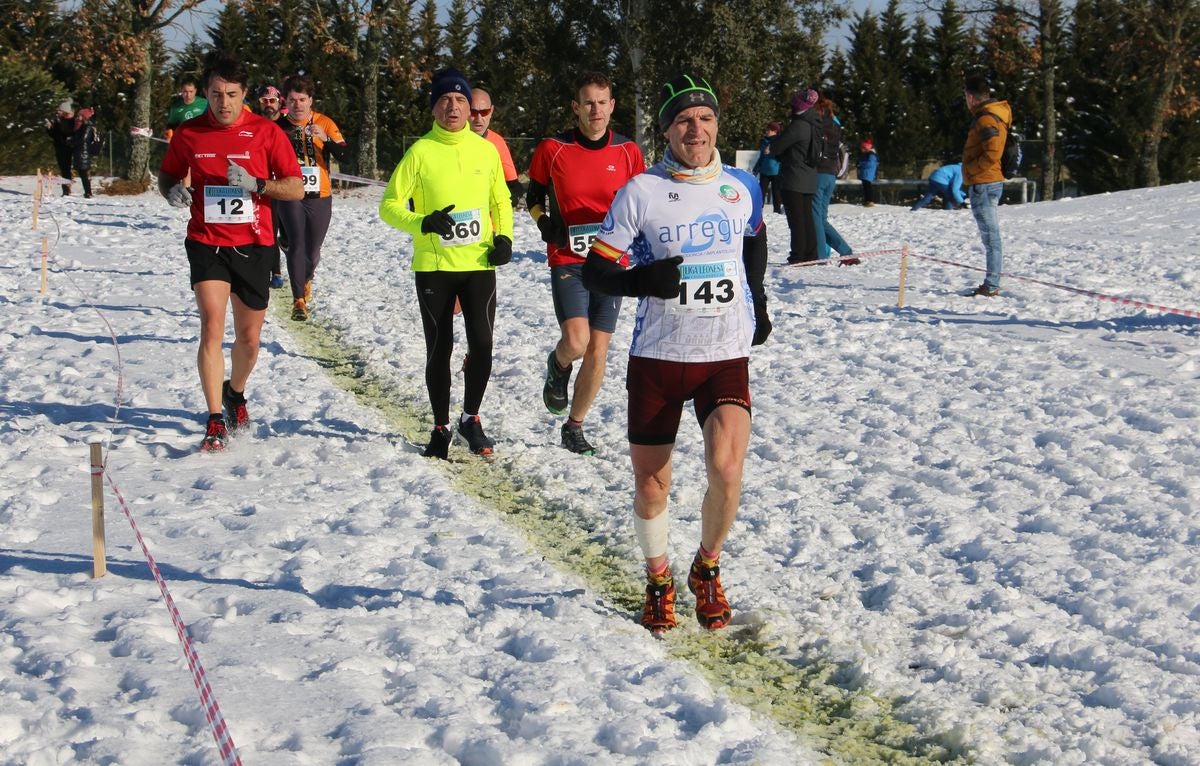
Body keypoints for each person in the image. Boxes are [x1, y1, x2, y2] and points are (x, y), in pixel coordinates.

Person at [581, 74, 772, 634]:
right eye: (684, 120)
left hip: (723, 353)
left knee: (727, 468)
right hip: (660, 358)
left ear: (717, 126)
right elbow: (597, 271)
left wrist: (758, 299)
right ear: (666, 130)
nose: (697, 128)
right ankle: (659, 579)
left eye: (706, 118)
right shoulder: (640, 191)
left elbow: (754, 238)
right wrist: (644, 281)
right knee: (650, 486)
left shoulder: (742, 185)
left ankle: (707, 567)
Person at [158, 54, 304, 452]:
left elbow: (295, 187)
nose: (223, 103)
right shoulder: (189, 133)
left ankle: (235, 392)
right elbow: (167, 173)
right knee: (211, 325)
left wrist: (258, 184)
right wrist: (171, 188)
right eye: (216, 94)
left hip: (254, 245)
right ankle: (213, 420)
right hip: (206, 240)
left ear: (245, 97)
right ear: (205, 93)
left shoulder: (266, 133)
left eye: (232, 95)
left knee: (249, 339)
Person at [378, 67, 514, 459]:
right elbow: (388, 206)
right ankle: (440, 428)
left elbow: (499, 200)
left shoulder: (485, 150)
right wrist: (421, 221)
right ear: (434, 108)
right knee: (440, 347)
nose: (452, 107)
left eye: (459, 100)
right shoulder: (420, 151)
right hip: (435, 267)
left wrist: (504, 237)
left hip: (478, 263)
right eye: (444, 100)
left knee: (483, 345)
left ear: (470, 108)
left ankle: (470, 418)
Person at [526, 71, 646, 456]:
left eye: (602, 102)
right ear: (576, 108)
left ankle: (574, 426)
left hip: (611, 262)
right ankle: (557, 366)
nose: (596, 110)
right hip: (569, 258)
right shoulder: (553, 148)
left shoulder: (628, 151)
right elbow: (534, 194)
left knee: (598, 350)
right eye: (588, 103)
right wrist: (544, 223)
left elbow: (643, 204)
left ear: (612, 106)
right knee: (576, 343)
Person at [276, 75, 350, 321]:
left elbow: (346, 157)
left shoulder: (324, 122)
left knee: (313, 252)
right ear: (285, 101)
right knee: (297, 243)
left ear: (311, 101)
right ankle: (298, 300)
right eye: (292, 100)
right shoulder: (277, 127)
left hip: (320, 194)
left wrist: (326, 140)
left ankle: (305, 277)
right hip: (289, 192)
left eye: (302, 100)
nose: (298, 105)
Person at [962, 73, 1011, 297]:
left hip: (984, 182)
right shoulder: (990, 115)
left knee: (991, 237)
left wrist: (972, 170)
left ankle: (992, 284)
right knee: (990, 237)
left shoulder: (986, 119)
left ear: (971, 97)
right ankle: (991, 282)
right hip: (987, 181)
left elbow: (993, 151)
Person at [770, 87, 822, 264]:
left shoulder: (798, 125)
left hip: (794, 178)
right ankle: (811, 254)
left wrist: (774, 147)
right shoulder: (814, 123)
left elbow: (777, 147)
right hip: (809, 177)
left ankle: (798, 255)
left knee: (797, 220)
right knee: (807, 218)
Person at [812, 97, 857, 265]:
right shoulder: (835, 125)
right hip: (831, 174)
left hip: (819, 172)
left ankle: (821, 255)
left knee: (815, 216)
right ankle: (846, 252)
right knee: (822, 217)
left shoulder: (819, 125)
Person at [255, 84, 288, 288]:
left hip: (287, 184)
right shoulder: (254, 125)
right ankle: (275, 272)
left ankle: (286, 242)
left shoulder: (287, 125)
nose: (268, 105)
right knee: (268, 229)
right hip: (263, 185)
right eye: (264, 101)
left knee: (286, 233)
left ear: (279, 102)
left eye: (272, 101)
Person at [468, 88, 524, 209]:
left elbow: (514, 187)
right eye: (473, 112)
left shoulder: (497, 142)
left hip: (491, 224)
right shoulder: (447, 141)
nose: (478, 118)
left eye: (484, 112)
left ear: (491, 111)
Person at [67, 107, 103, 198]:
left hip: (83, 153)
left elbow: (82, 139)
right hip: (80, 152)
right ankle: (87, 192)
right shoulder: (80, 126)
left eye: (80, 116)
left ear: (84, 117)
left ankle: (88, 192)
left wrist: (71, 140)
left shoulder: (87, 127)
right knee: (82, 173)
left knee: (83, 173)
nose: (78, 117)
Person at [752, 122, 782, 214]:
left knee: (776, 192)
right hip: (764, 171)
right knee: (761, 192)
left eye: (769, 130)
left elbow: (781, 155)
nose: (767, 131)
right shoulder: (764, 141)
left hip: (776, 171)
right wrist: (756, 169)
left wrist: (771, 151)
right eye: (767, 129)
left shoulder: (780, 141)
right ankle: (758, 210)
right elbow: (761, 156)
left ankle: (777, 210)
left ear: (775, 131)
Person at [165, 77, 208, 141]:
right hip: (184, 142)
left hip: (202, 140)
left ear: (195, 90)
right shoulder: (175, 107)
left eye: (191, 91)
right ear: (181, 90)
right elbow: (170, 125)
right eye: (185, 91)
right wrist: (169, 134)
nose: (188, 95)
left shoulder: (205, 103)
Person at [45, 101, 75, 196]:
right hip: (59, 147)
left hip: (67, 148)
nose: (58, 112)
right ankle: (65, 189)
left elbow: (66, 132)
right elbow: (55, 135)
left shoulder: (70, 121)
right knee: (63, 169)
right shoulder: (58, 121)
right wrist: (49, 128)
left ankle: (67, 190)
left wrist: (59, 122)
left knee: (66, 169)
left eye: (60, 110)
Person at [857, 139, 878, 207]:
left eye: (863, 148)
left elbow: (870, 164)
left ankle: (870, 200)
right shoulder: (866, 154)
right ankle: (867, 200)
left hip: (868, 174)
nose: (861, 149)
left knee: (868, 187)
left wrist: (861, 164)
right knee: (865, 187)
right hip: (865, 173)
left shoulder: (871, 154)